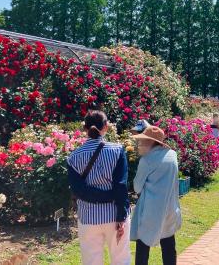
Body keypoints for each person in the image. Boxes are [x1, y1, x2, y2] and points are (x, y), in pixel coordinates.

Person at [67, 110, 130, 265]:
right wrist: (121, 213)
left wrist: (102, 197)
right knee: (120, 259)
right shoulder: (117, 150)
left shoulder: (73, 157)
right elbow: (120, 186)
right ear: (106, 126)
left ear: (84, 128)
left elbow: (79, 190)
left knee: (91, 261)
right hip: (115, 215)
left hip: (88, 217)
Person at [131, 126, 182, 265]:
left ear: (152, 142)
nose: (140, 143)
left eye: (144, 140)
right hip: (170, 207)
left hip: (150, 210)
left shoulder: (147, 160)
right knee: (168, 244)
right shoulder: (172, 155)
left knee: (143, 245)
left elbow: (137, 187)